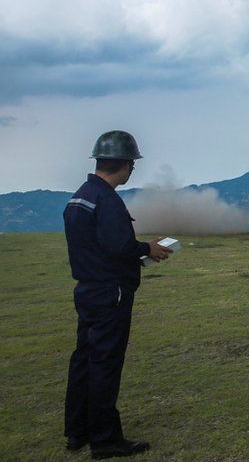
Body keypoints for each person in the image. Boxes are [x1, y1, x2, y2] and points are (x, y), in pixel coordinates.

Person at [63, 130, 172, 458]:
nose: (132, 171)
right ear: (125, 164)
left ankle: (77, 431)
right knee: (105, 364)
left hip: (87, 290)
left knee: (83, 360)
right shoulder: (107, 200)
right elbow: (119, 246)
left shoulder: (80, 196)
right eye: (132, 165)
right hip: (111, 293)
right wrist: (147, 248)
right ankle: (106, 439)